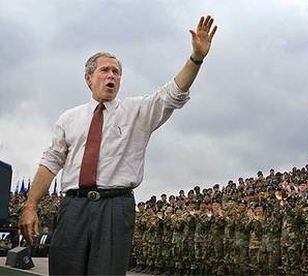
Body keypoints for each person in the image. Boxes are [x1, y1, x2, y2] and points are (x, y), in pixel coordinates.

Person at [18, 15, 218, 275]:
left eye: (116, 72)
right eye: (105, 70)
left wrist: (196, 59)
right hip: (73, 208)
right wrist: (31, 204)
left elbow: (173, 93)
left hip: (115, 208)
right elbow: (51, 161)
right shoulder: (69, 118)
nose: (111, 76)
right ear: (89, 78)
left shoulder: (136, 112)